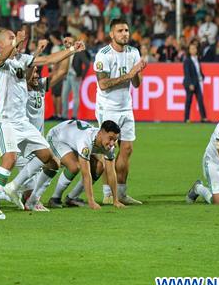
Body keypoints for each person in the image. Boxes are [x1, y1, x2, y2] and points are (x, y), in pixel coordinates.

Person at [0, 28, 82, 215]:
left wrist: (72, 50)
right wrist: (17, 42)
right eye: (11, 38)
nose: (16, 40)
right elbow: (3, 57)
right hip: (5, 121)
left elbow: (48, 60)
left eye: (15, 38)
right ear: (1, 44)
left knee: (51, 159)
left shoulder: (22, 59)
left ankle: (14, 187)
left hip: (22, 122)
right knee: (10, 159)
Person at [80, 19, 146, 205]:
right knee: (107, 150)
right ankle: (108, 194)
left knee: (127, 149)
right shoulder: (103, 55)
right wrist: (129, 74)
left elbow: (136, 84)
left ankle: (122, 193)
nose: (125, 34)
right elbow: (103, 84)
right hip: (108, 108)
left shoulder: (133, 52)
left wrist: (138, 72)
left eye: (126, 30)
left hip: (126, 107)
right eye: (120, 31)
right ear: (111, 34)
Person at [44, 120, 125, 209]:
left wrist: (115, 200)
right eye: (110, 138)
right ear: (101, 133)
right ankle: (55, 198)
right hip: (57, 137)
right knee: (74, 167)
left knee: (99, 166)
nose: (112, 143)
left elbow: (111, 172)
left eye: (115, 140)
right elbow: (86, 174)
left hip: (73, 140)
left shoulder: (109, 146)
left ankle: (72, 198)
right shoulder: (86, 141)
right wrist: (91, 201)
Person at [61, 40, 88, 120]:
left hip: (75, 76)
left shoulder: (80, 52)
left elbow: (87, 63)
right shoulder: (67, 51)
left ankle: (74, 115)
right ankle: (64, 116)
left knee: (75, 96)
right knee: (64, 95)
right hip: (67, 75)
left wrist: (81, 75)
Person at [182, 41, 208, 123]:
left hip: (196, 82)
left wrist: (202, 76)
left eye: (194, 48)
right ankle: (186, 118)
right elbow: (187, 73)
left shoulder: (197, 59)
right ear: (189, 50)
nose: (193, 50)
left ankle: (203, 117)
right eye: (192, 49)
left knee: (200, 100)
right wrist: (190, 83)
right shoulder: (187, 60)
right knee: (189, 100)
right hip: (190, 83)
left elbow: (198, 70)